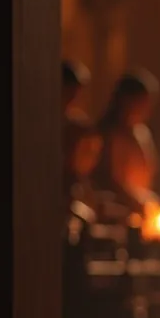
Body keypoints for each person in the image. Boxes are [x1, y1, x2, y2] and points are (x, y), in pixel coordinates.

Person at [91, 69, 160, 219]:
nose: (145, 109)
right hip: (113, 213)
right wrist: (130, 200)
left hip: (141, 212)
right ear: (125, 100)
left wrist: (148, 201)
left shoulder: (142, 134)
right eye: (140, 102)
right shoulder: (106, 134)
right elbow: (107, 179)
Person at [62, 60, 102, 212]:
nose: (74, 97)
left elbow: (81, 172)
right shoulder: (49, 125)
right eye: (70, 91)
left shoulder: (79, 125)